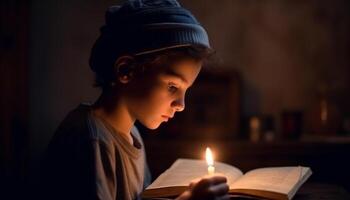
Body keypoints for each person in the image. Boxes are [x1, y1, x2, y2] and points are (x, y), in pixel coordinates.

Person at [39, 0, 229, 200]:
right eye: (172, 86)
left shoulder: (133, 135)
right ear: (126, 70)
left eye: (185, 90)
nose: (181, 105)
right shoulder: (91, 140)